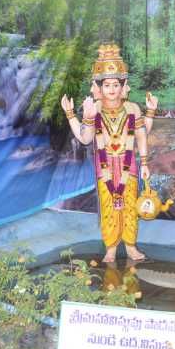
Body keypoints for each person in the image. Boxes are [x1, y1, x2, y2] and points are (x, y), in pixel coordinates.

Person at [61, 43, 158, 263]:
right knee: (108, 206)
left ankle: (131, 246)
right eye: (107, 85)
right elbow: (85, 138)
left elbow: (141, 134)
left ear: (123, 87)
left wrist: (144, 163)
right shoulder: (94, 109)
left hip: (128, 165)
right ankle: (111, 248)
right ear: (98, 87)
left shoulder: (132, 109)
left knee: (130, 206)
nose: (112, 90)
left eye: (116, 85)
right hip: (104, 167)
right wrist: (72, 115)